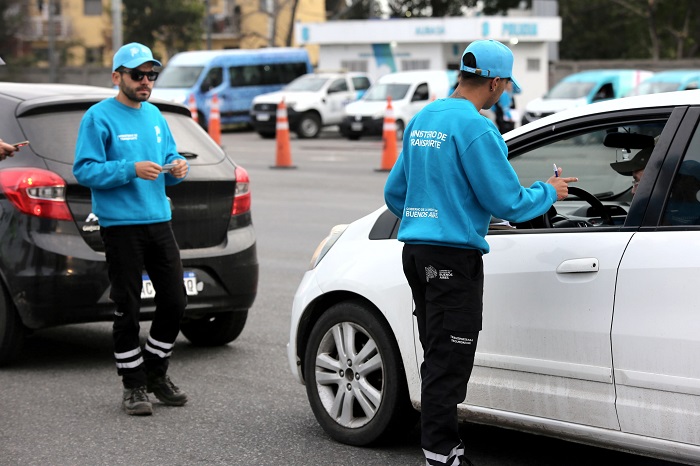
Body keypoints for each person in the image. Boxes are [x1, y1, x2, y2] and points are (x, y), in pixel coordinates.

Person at [384, 40, 577, 466]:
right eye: (506, 85)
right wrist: (550, 192)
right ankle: (442, 454)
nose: (505, 92)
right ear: (494, 82)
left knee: (437, 352)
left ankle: (438, 447)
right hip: (454, 260)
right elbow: (508, 201)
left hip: (416, 253)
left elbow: (395, 192)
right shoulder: (476, 127)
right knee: (450, 358)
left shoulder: (424, 118)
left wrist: (431, 214)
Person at [73, 42, 190, 416]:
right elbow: (84, 169)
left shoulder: (155, 115)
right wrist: (130, 169)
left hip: (159, 221)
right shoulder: (97, 117)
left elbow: (168, 156)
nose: (145, 81)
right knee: (128, 308)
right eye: (137, 74)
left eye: (150, 75)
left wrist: (176, 167)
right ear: (117, 77)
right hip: (121, 227)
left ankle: (155, 372)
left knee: (175, 301)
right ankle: (134, 386)